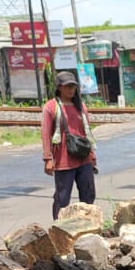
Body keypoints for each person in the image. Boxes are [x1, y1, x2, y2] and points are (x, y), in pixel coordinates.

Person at [41, 70, 97, 219]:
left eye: (73, 86)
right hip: (63, 160)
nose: (71, 89)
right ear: (59, 87)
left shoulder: (80, 106)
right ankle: (58, 227)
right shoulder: (51, 107)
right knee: (62, 198)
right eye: (67, 86)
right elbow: (46, 134)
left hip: (83, 158)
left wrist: (92, 155)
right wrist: (48, 158)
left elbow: (87, 133)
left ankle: (87, 225)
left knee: (88, 194)